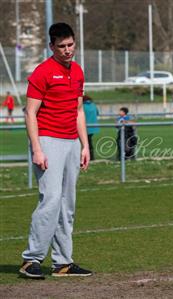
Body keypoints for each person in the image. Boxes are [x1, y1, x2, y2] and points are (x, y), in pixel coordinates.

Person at [20, 22, 92, 279]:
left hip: (72, 142)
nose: (67, 50)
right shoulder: (42, 72)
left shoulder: (78, 72)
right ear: (51, 46)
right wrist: (37, 149)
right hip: (48, 141)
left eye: (70, 45)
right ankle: (31, 259)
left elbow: (79, 111)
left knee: (67, 204)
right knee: (50, 200)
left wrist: (85, 146)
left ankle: (62, 263)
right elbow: (30, 113)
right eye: (61, 46)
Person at [83, 95, 100, 160]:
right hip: (93, 127)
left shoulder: (82, 106)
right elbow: (97, 113)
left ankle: (88, 157)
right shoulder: (93, 105)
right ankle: (91, 157)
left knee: (86, 144)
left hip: (84, 128)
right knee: (89, 143)